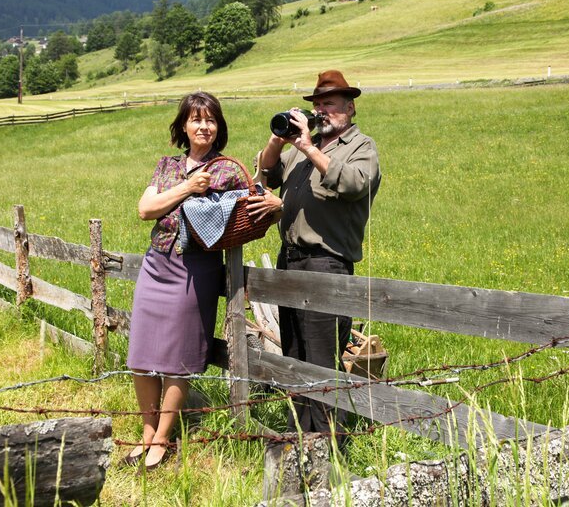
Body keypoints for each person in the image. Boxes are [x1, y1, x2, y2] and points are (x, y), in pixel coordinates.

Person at [247, 70, 381, 436]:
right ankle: (298, 434)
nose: (322, 112)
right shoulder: (302, 147)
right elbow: (268, 174)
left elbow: (353, 185)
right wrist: (279, 138)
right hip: (290, 260)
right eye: (318, 105)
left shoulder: (361, 147)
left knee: (321, 359)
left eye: (330, 105)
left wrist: (307, 147)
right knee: (293, 354)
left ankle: (326, 442)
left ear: (350, 108)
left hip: (327, 263)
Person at [125, 91, 250, 470]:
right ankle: (145, 433)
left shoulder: (226, 170)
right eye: (196, 119)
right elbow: (146, 209)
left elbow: (250, 202)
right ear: (183, 125)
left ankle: (163, 437)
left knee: (178, 356)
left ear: (218, 127)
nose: (204, 127)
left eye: (211, 120)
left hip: (196, 267)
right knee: (141, 356)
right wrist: (188, 188)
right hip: (156, 264)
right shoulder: (167, 166)